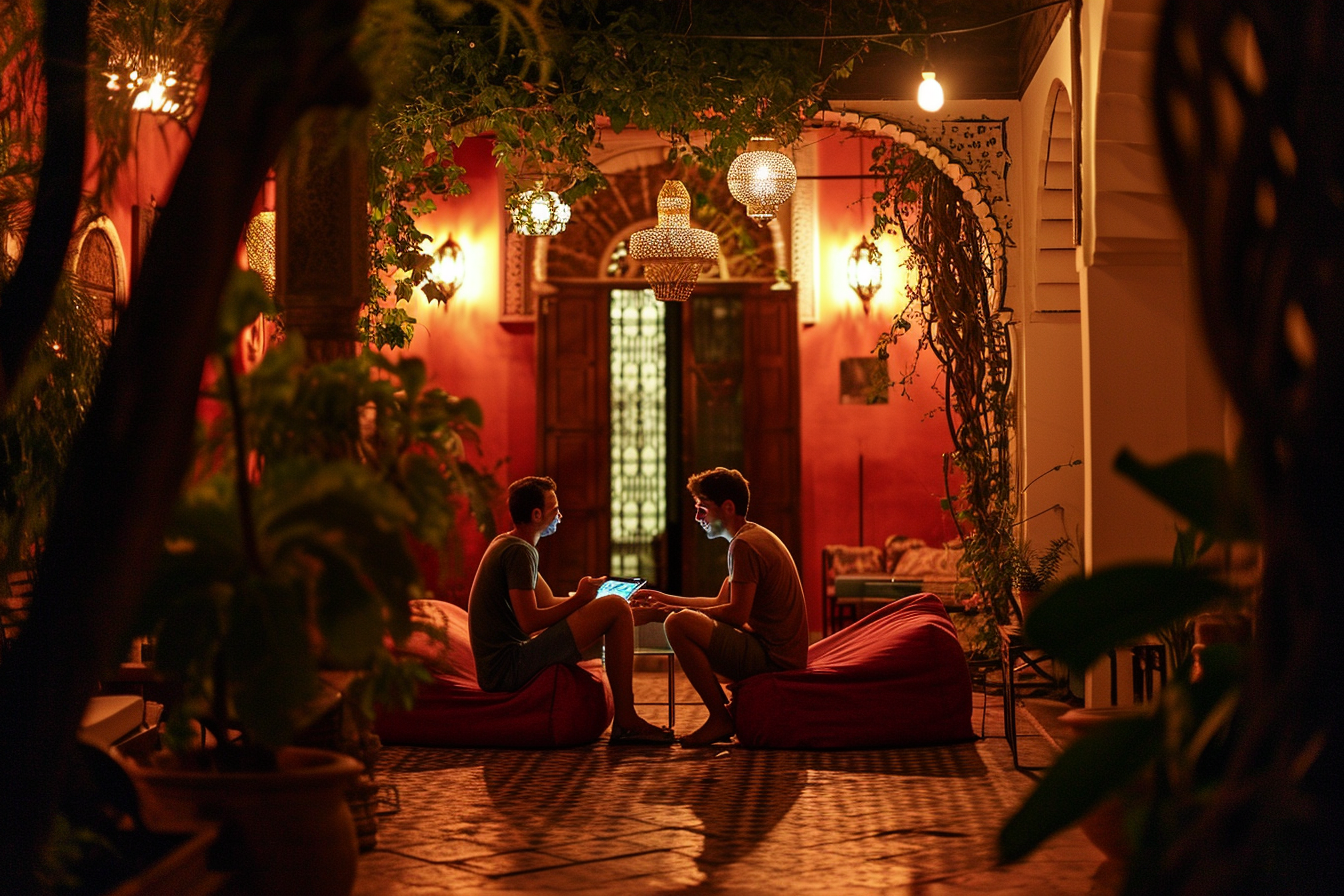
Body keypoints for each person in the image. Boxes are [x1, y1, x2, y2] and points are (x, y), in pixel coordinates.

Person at [468, 476, 673, 745]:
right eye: (555, 510)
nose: (560, 516)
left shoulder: (509, 543)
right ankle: (626, 719)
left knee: (615, 607)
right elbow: (530, 621)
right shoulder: (520, 552)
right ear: (537, 514)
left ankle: (650, 616)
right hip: (506, 668)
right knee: (614, 606)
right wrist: (583, 600)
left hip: (506, 662)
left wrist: (589, 600)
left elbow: (549, 603)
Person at [632, 467, 808, 746]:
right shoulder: (750, 537)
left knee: (677, 624)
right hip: (773, 649)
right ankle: (721, 715)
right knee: (678, 617)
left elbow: (736, 615)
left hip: (776, 658)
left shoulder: (745, 546)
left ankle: (719, 717)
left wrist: (663, 614)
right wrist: (664, 599)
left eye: (702, 510)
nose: (697, 518)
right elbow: (718, 603)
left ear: (727, 507)